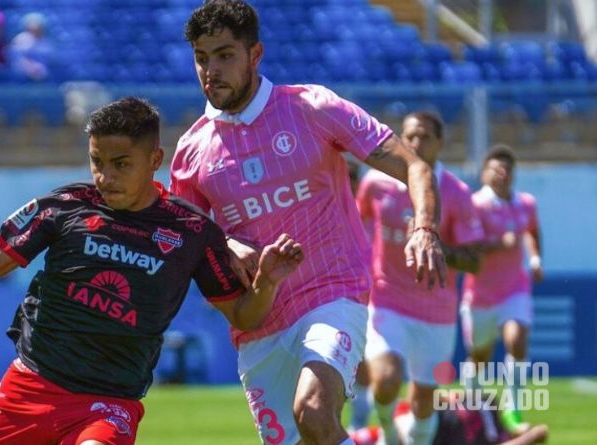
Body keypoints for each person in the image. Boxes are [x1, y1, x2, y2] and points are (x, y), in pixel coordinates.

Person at [0, 97, 304, 445]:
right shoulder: (64, 207)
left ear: (154, 160)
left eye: (121, 164)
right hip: (31, 386)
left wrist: (266, 282)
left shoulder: (192, 232)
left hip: (109, 401)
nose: (106, 176)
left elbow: (243, 315)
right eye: (97, 162)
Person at [170, 2, 446, 444]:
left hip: (333, 294)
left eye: (224, 55)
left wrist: (424, 228)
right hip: (257, 324)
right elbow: (189, 240)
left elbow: (414, 166)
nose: (211, 70)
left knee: (314, 413)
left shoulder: (312, 107)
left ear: (255, 54)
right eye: (202, 58)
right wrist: (226, 245)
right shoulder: (191, 152)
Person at [355, 112, 485, 445]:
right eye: (410, 136)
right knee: (386, 380)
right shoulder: (376, 183)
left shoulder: (456, 193)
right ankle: (388, 435)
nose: (416, 143)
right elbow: (357, 226)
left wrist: (433, 242)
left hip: (435, 311)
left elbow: (474, 262)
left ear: (440, 143)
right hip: (386, 300)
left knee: (423, 401)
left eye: (425, 137)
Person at [460, 145, 543, 435]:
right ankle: (472, 410)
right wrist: (499, 243)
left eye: (507, 169)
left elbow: (532, 231)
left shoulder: (526, 203)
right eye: (496, 169)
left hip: (514, 288)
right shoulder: (475, 205)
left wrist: (535, 259)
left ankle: (512, 407)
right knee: (480, 357)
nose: (502, 174)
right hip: (480, 294)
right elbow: (467, 246)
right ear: (484, 174)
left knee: (517, 340)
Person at [349, 395, 549, 445]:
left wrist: (531, 437)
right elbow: (450, 397)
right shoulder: (490, 402)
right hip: (427, 418)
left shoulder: (498, 438)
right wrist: (531, 435)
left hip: (436, 437)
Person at [9, 12, 56, 82]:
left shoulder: (46, 41)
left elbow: (49, 60)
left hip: (42, 75)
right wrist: (30, 68)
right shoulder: (20, 38)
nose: (35, 28)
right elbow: (17, 58)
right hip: (21, 75)